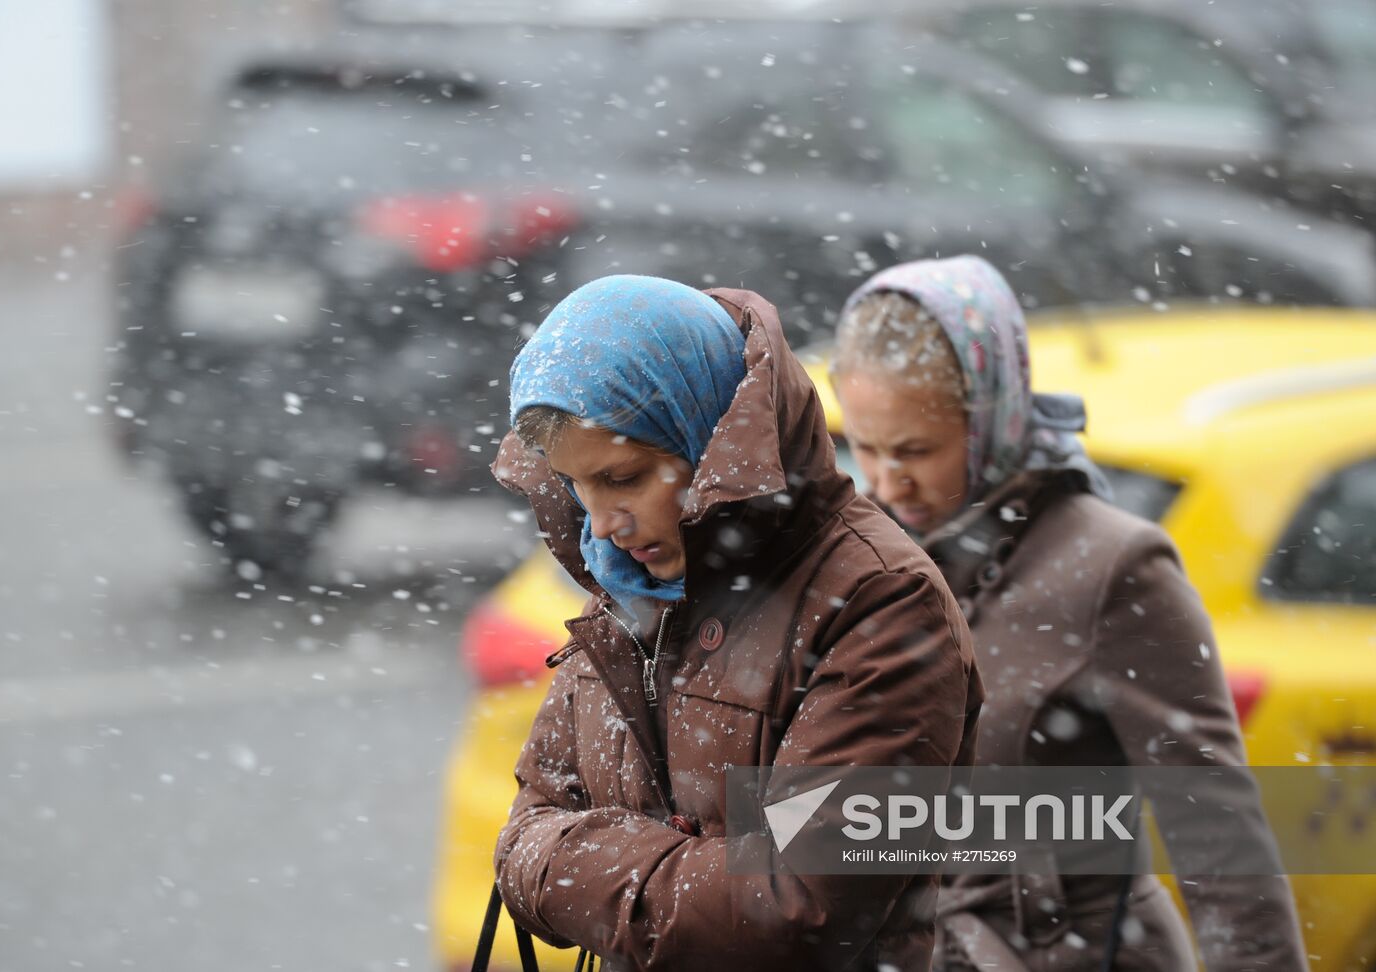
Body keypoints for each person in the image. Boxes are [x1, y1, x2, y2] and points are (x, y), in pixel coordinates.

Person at [489, 274, 983, 972]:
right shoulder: (632, 585)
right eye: (577, 486)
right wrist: (650, 872)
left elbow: (791, 907)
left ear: (709, 439)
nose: (602, 524)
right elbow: (528, 822)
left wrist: (573, 863)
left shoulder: (881, 599)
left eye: (625, 477)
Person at [830, 255, 1307, 971]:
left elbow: (1216, 828)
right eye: (862, 447)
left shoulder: (1112, 565)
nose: (886, 478)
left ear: (992, 416)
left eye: (916, 449)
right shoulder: (866, 560)